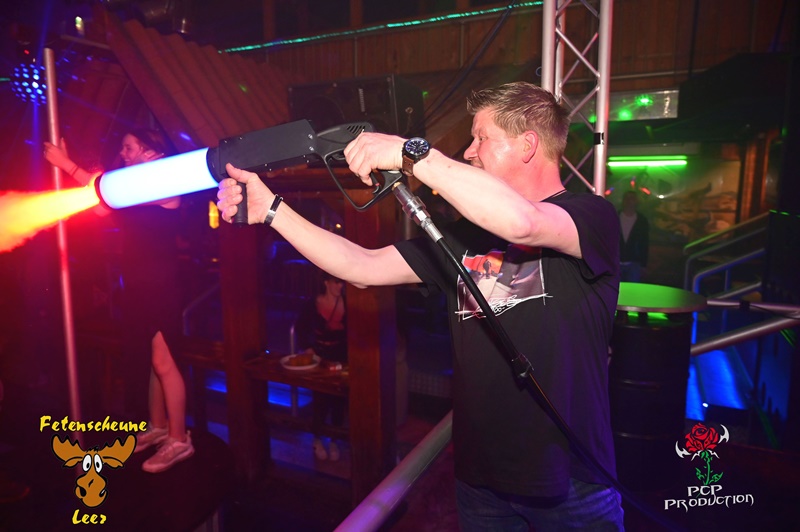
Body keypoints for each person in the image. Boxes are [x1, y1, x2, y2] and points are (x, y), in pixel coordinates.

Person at [217, 81, 624, 530]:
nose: (469, 151)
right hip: (481, 482)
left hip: (571, 483)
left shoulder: (591, 217)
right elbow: (362, 266)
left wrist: (410, 153)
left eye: (481, 138)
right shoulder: (464, 237)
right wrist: (272, 210)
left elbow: (524, 223)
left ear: (527, 145)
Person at [44, 129, 194, 474]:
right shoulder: (128, 188)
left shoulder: (165, 182)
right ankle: (159, 427)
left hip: (160, 286)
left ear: (150, 151)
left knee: (165, 361)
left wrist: (67, 165)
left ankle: (179, 439)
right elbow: (99, 205)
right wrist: (71, 170)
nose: (123, 153)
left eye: (129, 147)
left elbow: (113, 192)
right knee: (154, 360)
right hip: (139, 286)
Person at [294, 270, 347, 461]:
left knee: (339, 400)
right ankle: (317, 439)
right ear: (326, 282)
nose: (340, 286)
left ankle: (334, 440)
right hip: (320, 356)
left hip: (341, 356)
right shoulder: (313, 303)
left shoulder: (348, 304)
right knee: (320, 399)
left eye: (341, 282)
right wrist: (308, 348)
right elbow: (300, 327)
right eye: (336, 282)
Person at [619, 190, 649, 282]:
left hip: (634, 263)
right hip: (615, 262)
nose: (629, 201)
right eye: (627, 198)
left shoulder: (642, 221)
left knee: (632, 289)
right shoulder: (614, 216)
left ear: (636, 201)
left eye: (632, 198)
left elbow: (644, 243)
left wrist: (643, 265)